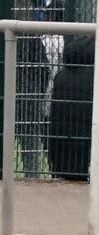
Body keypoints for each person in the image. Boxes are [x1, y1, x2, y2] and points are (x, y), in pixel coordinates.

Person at [47, 35, 96, 181]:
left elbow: (50, 110)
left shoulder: (60, 77)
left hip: (60, 147)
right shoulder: (96, 77)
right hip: (87, 148)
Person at [15, 35, 51, 178]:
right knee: (31, 150)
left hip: (24, 97)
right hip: (30, 98)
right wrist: (37, 94)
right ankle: (32, 180)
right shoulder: (31, 38)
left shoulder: (30, 38)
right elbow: (45, 71)